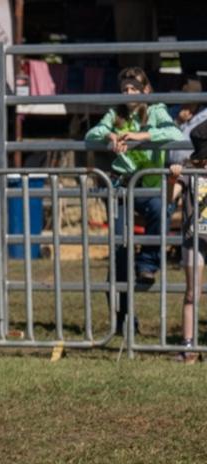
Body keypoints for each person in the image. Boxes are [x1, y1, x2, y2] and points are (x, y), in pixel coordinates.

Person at [84, 67, 184, 329]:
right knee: (120, 251)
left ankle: (149, 263)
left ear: (146, 91)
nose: (128, 93)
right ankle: (123, 317)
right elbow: (89, 136)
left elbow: (176, 134)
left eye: (134, 89)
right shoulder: (116, 113)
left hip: (148, 188)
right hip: (121, 187)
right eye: (125, 89)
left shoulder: (156, 111)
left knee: (159, 207)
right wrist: (110, 135)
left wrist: (144, 136)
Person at [170, 122, 207, 362]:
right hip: (194, 238)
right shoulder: (188, 169)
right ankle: (188, 345)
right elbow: (171, 198)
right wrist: (173, 179)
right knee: (192, 293)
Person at [169, 78, 207, 167]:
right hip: (172, 166)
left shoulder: (205, 114)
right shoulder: (172, 112)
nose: (187, 102)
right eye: (184, 96)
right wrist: (178, 121)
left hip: (196, 167)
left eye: (191, 98)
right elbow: (164, 132)